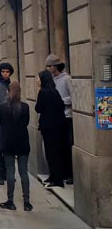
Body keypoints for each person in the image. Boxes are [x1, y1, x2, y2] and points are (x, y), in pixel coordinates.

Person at [0, 81, 33, 211]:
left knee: (10, 171)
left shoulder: (3, 107)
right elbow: (26, 122)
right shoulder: (25, 107)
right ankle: (27, 202)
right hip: (23, 142)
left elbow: (1, 122)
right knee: (24, 171)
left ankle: (10, 200)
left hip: (8, 142)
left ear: (8, 92)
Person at [35, 70, 66, 188]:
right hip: (58, 126)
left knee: (51, 153)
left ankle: (57, 179)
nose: (37, 81)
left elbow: (38, 108)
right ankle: (54, 176)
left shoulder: (43, 92)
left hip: (48, 126)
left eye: (38, 78)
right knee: (55, 152)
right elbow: (62, 105)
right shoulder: (55, 91)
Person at [46, 54, 73, 184]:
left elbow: (73, 97)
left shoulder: (67, 79)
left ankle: (69, 174)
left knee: (66, 147)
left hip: (67, 116)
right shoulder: (51, 80)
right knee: (57, 148)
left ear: (55, 66)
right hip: (55, 118)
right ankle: (60, 173)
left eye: (49, 66)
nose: (48, 69)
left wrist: (59, 101)